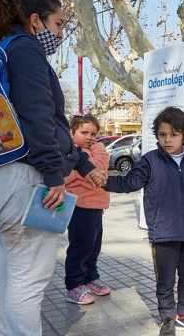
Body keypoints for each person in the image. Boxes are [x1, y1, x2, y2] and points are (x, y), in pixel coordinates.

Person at [0, 0, 108, 335]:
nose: (60, 33)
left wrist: (83, 166)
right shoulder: (26, 50)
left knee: (9, 271)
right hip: (22, 181)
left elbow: (49, 128)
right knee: (29, 278)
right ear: (35, 21)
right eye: (58, 24)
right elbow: (40, 120)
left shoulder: (2, 49)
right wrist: (54, 176)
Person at [104, 107, 184, 336]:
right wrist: (102, 181)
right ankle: (167, 317)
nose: (167, 140)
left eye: (173, 134)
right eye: (162, 134)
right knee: (165, 281)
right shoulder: (150, 161)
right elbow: (129, 183)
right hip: (163, 234)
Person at [63, 115, 112, 305]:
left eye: (94, 133)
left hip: (96, 206)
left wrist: (90, 158)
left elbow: (100, 168)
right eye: (84, 133)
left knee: (93, 246)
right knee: (79, 247)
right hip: (79, 207)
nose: (90, 137)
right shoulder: (69, 154)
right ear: (71, 133)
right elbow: (94, 169)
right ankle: (74, 285)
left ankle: (91, 278)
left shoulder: (94, 150)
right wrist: (90, 158)